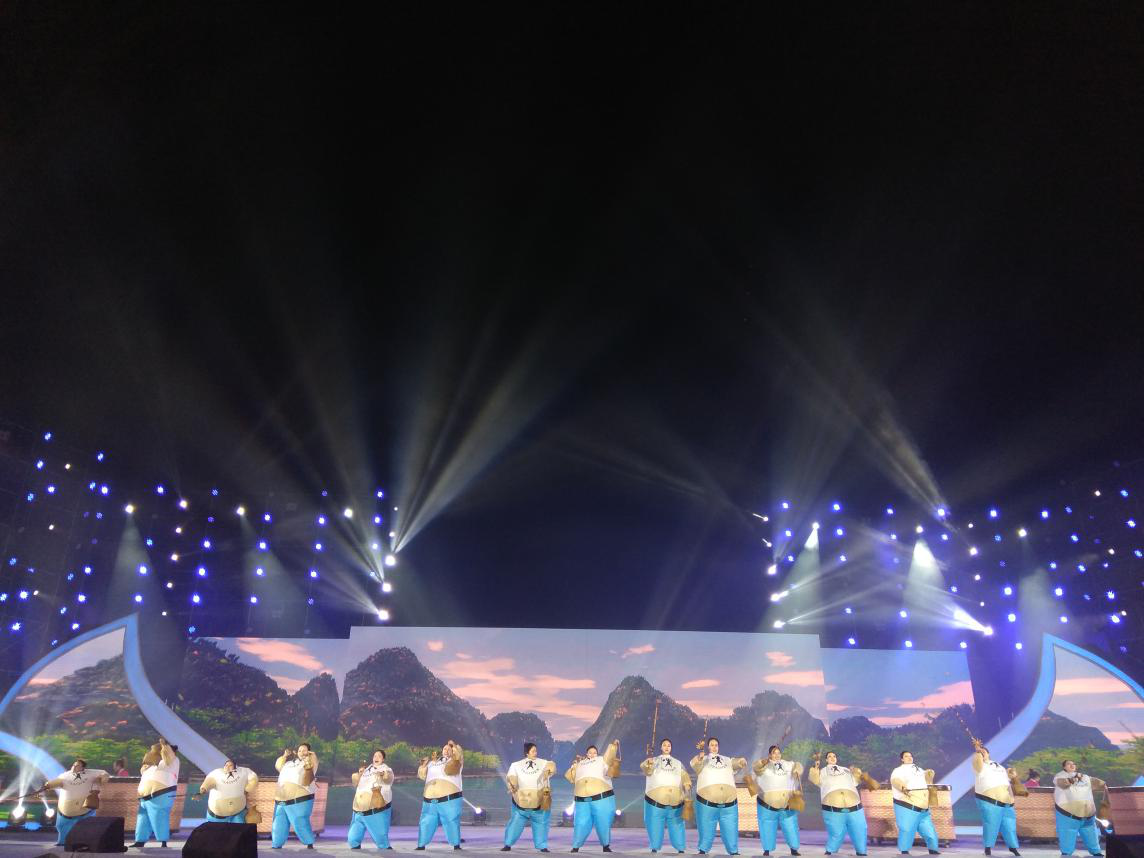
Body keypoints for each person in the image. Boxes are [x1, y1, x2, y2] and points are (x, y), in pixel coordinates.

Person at [690, 737, 746, 856]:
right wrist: (699, 757)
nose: (714, 747)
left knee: (731, 828)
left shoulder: (726, 760)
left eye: (716, 745)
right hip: (707, 802)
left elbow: (736, 763)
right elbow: (694, 764)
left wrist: (741, 761)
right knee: (706, 828)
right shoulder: (703, 759)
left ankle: (733, 850)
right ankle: (703, 849)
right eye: (712, 745)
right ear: (708, 747)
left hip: (729, 803)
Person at [809, 751, 869, 857]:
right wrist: (816, 765)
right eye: (829, 756)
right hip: (833, 808)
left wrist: (856, 772)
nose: (832, 758)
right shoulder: (822, 771)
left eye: (834, 756)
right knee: (836, 832)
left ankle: (861, 851)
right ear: (826, 760)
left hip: (855, 807)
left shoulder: (845, 770)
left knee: (860, 829)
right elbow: (814, 779)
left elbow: (856, 781)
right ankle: (831, 850)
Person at [38, 758, 108, 846]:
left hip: (84, 807)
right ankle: (63, 841)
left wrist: (101, 778)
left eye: (77, 765)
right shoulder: (65, 775)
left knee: (86, 826)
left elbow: (104, 774)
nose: (74, 767)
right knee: (61, 825)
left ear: (83, 767)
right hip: (65, 808)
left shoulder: (91, 773)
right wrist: (48, 785)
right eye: (73, 765)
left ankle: (84, 842)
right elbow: (58, 782)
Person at [566, 739, 620, 853]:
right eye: (590, 752)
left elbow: (609, 756)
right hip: (582, 800)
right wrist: (574, 765)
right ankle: (576, 846)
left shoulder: (601, 760)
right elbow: (570, 777)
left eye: (594, 752)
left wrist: (613, 746)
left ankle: (605, 845)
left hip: (601, 797)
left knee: (603, 822)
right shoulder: (580, 763)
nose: (592, 754)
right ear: (587, 754)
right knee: (580, 823)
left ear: (597, 753)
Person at [502, 741, 557, 852]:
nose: (535, 753)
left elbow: (552, 767)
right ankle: (508, 844)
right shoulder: (516, 765)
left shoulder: (543, 763)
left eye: (536, 750)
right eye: (533, 751)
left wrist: (550, 769)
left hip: (539, 801)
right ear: (527, 753)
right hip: (521, 802)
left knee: (541, 824)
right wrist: (513, 784)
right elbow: (511, 776)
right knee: (515, 824)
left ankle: (542, 846)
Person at [641, 738, 691, 854]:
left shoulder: (678, 763)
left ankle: (680, 848)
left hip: (676, 803)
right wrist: (648, 762)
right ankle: (654, 847)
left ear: (671, 748)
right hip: (655, 802)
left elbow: (685, 776)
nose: (667, 747)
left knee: (677, 826)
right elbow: (646, 770)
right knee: (655, 826)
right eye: (664, 745)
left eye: (669, 745)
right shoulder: (654, 760)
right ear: (661, 747)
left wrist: (687, 787)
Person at [971, 740, 1021, 856]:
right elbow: (978, 758)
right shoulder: (979, 765)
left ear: (988, 753)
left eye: (984, 752)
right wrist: (978, 749)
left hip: (1006, 802)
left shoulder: (1000, 767)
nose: (982, 753)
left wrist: (1012, 799)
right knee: (990, 825)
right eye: (980, 753)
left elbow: (1007, 782)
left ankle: (1013, 847)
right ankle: (988, 847)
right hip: (989, 800)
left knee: (1009, 826)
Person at [754, 745, 804, 857]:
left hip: (786, 803)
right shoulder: (764, 766)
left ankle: (794, 848)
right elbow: (756, 767)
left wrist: (798, 768)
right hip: (767, 804)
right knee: (767, 827)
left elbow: (798, 765)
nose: (777, 755)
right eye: (774, 753)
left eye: (778, 753)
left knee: (791, 827)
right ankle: (767, 849)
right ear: (769, 755)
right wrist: (763, 762)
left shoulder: (788, 764)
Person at [417, 739, 465, 850]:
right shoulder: (433, 763)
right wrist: (423, 766)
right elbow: (422, 775)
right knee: (426, 822)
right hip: (430, 799)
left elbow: (458, 755)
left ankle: (456, 844)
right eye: (444, 749)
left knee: (451, 821)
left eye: (449, 749)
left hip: (449, 798)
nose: (446, 750)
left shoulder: (456, 762)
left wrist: (454, 746)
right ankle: (421, 844)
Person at [132, 737, 180, 849]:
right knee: (143, 820)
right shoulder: (153, 765)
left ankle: (163, 841)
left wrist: (164, 745)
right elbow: (143, 771)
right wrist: (146, 766)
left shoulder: (173, 761)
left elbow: (168, 756)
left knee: (160, 817)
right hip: (145, 797)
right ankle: (140, 840)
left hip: (160, 794)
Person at [889, 751, 940, 856]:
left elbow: (927, 781)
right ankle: (904, 851)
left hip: (923, 809)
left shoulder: (919, 769)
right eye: (906, 756)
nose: (909, 758)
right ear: (902, 759)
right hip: (908, 806)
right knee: (906, 830)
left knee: (930, 832)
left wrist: (929, 774)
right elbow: (895, 780)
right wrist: (902, 787)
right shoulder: (898, 770)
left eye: (911, 756)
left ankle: (933, 849)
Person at [1053, 760, 1106, 858]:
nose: (1072, 765)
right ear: (1064, 767)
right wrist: (1075, 778)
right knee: (1067, 833)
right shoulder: (1060, 776)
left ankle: (1096, 851)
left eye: (1073, 764)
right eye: (1069, 764)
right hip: (1068, 814)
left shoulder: (1085, 777)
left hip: (1088, 814)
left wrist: (1103, 785)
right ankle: (1066, 853)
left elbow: (1101, 784)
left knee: (1091, 833)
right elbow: (1063, 783)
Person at [272, 742, 319, 849]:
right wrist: (284, 756)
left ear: (309, 751)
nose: (302, 752)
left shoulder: (310, 763)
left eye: (304, 750)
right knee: (279, 822)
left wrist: (311, 756)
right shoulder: (289, 764)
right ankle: (276, 843)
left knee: (300, 821)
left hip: (299, 799)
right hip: (281, 800)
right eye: (300, 750)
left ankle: (309, 842)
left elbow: (312, 766)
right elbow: (278, 766)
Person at [349, 749, 395, 851]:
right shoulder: (366, 770)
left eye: (379, 756)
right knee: (352, 838)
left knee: (381, 837)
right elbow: (355, 783)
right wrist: (359, 774)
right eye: (375, 756)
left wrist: (383, 774)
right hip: (358, 810)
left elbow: (388, 778)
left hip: (375, 810)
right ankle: (355, 843)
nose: (376, 758)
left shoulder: (386, 769)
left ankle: (385, 847)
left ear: (383, 759)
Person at [197, 758, 258, 823]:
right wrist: (201, 792)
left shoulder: (242, 772)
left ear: (235, 767)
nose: (228, 766)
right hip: (217, 814)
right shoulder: (217, 774)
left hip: (238, 811)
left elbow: (253, 777)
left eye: (230, 765)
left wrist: (249, 788)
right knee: (215, 827)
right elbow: (207, 783)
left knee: (239, 826)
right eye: (226, 765)